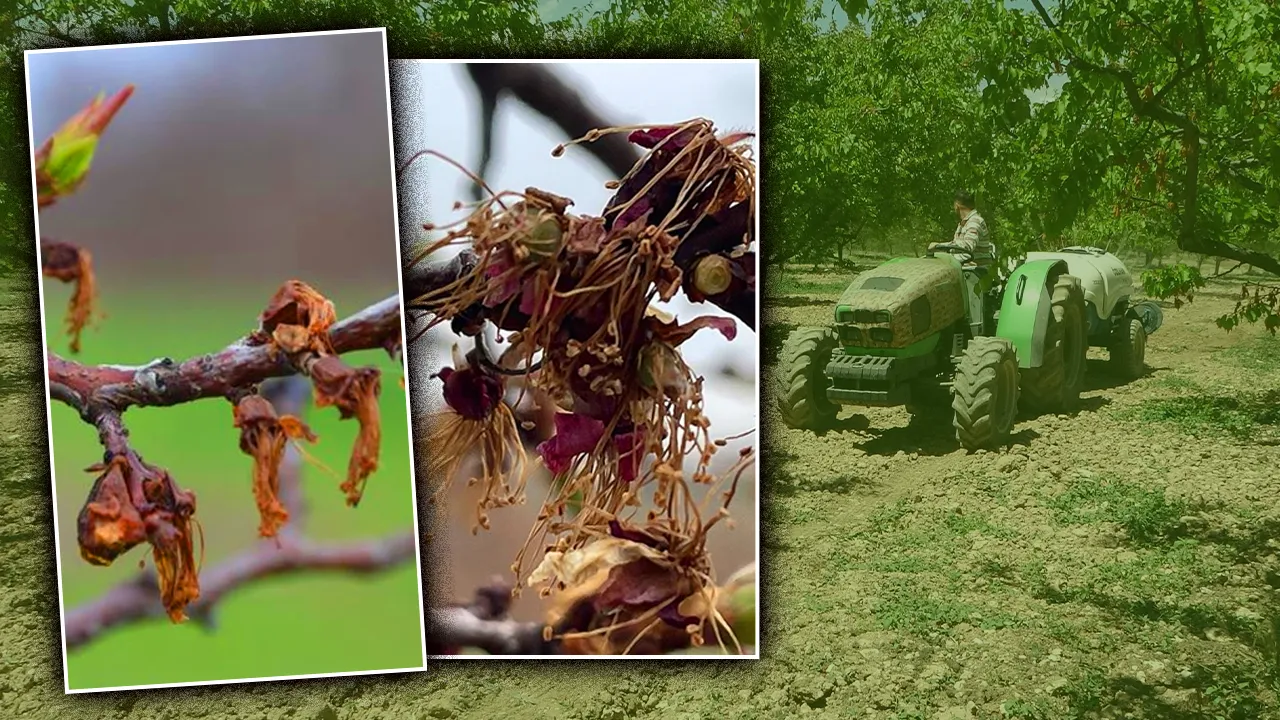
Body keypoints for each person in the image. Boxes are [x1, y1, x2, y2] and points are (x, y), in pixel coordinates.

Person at [935, 190, 995, 267]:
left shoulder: (975, 221)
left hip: (976, 273)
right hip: (965, 271)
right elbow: (958, 250)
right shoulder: (963, 224)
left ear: (957, 205)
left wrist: (938, 246)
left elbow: (967, 248)